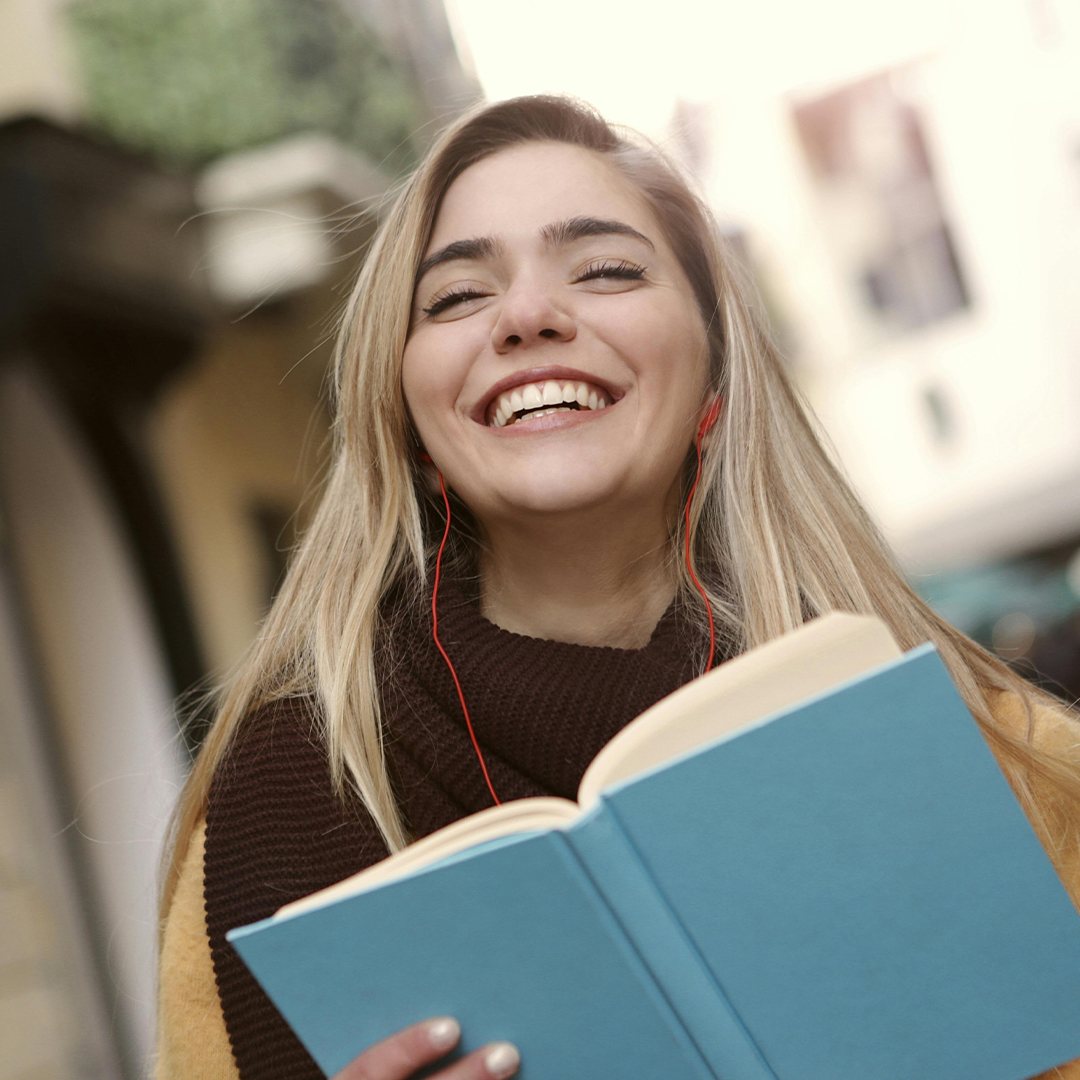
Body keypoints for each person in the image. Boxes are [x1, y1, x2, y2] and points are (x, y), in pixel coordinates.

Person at [155, 96, 1080, 1080]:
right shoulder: (283, 801)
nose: (525, 316)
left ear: (715, 384)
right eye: (458, 296)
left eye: (605, 270)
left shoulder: (1001, 761)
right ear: (412, 430)